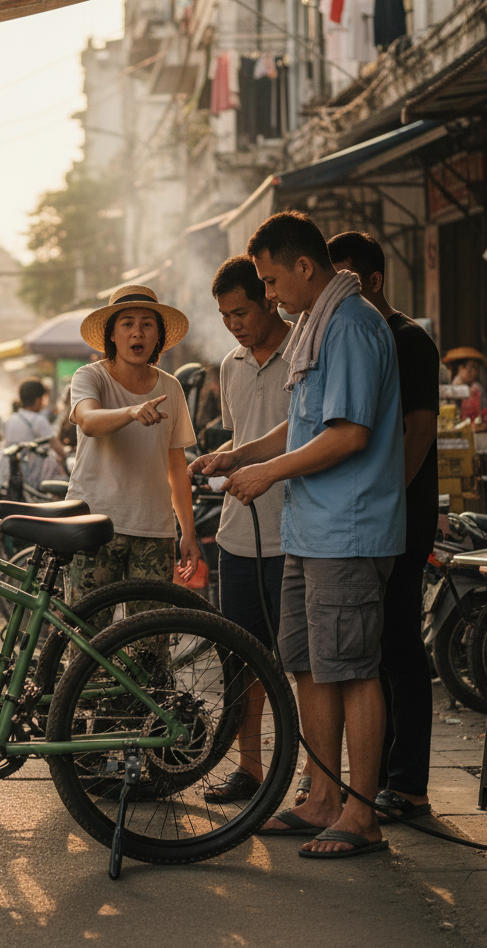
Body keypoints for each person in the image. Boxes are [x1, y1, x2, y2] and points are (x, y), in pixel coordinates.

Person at [203, 211, 404, 858]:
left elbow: (349, 435)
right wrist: (239, 456)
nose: (268, 295)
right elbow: (304, 424)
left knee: (352, 668)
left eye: (269, 280)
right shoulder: (316, 327)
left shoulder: (348, 325)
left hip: (349, 528)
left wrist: (266, 474)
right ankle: (321, 796)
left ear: (304, 267)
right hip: (310, 527)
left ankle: (361, 812)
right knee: (307, 663)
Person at [328, 231, 438, 825]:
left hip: (400, 515)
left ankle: (410, 784)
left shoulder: (407, 340)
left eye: (344, 281)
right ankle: (384, 778)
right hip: (369, 517)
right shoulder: (353, 335)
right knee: (374, 647)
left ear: (372, 282)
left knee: (399, 643)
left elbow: (417, 431)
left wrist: (386, 497)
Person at [187, 255, 292, 802]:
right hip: (237, 535)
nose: (235, 324)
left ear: (270, 297)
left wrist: (244, 458)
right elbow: (245, 437)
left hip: (292, 532)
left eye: (242, 311)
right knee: (242, 659)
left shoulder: (305, 351)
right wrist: (216, 459)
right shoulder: (229, 364)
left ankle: (311, 779)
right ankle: (250, 768)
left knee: (301, 664)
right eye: (226, 315)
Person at [65, 284, 200, 610]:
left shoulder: (171, 387)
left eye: (146, 324)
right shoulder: (89, 377)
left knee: (150, 644)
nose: (136, 332)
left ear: (158, 336)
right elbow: (88, 421)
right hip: (92, 525)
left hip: (154, 531)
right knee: (86, 638)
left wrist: (188, 533)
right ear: (112, 334)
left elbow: (177, 467)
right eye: (127, 323)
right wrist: (131, 412)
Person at [442, 347, 487, 421]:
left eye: (476, 368)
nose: (475, 372)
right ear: (461, 368)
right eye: (472, 367)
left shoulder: (477, 387)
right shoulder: (452, 389)